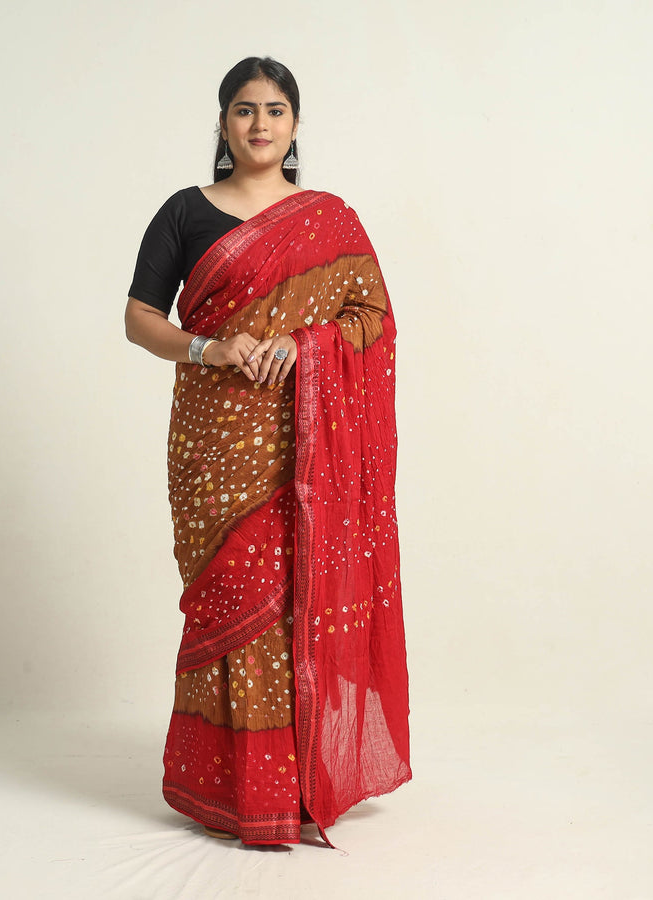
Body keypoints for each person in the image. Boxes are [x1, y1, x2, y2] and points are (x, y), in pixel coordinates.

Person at [125, 56, 410, 846]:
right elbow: (139, 318)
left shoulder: (329, 219)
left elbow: (374, 319)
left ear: (295, 124)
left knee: (293, 598)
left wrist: (304, 344)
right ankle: (225, 785)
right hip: (214, 437)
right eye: (244, 109)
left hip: (303, 441)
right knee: (227, 596)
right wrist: (210, 348)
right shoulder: (185, 212)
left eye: (275, 109)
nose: (260, 124)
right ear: (223, 123)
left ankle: (294, 784)